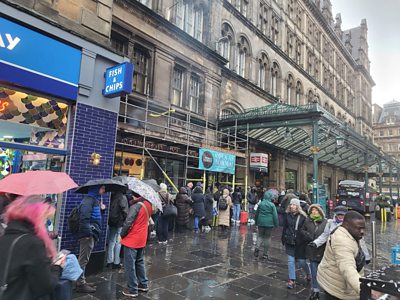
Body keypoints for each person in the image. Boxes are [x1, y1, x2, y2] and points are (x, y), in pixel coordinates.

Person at [0, 195, 66, 299]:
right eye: (44, 217)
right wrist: (57, 267)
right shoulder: (32, 243)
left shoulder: (4, 238)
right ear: (35, 217)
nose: (45, 221)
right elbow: (45, 286)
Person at [317, 211, 366, 300]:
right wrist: (364, 289)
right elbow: (347, 269)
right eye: (359, 228)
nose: (362, 232)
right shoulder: (342, 241)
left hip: (335, 281)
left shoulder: (348, 231)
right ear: (347, 225)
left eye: (363, 228)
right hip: (337, 288)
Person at [120, 195, 152, 298]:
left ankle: (132, 289)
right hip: (142, 238)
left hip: (132, 239)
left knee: (130, 265)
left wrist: (121, 235)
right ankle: (143, 284)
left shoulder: (135, 206)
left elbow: (128, 222)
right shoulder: (148, 204)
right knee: (139, 261)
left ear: (134, 195)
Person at [76, 185, 106, 293]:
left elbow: (94, 216)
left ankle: (82, 280)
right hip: (88, 234)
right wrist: (88, 233)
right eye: (102, 188)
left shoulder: (94, 200)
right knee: (83, 259)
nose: (104, 190)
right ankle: (80, 283)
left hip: (92, 233)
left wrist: (102, 209)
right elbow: (84, 218)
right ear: (96, 189)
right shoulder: (88, 201)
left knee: (85, 258)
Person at [281, 198, 311, 289]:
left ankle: (308, 273)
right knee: (290, 261)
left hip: (300, 242)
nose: (292, 206)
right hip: (289, 241)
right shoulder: (287, 215)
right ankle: (292, 280)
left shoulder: (303, 217)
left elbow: (306, 230)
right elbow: (285, 227)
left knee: (301, 262)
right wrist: (283, 237)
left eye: (294, 204)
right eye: (291, 204)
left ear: (297, 206)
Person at [300, 204, 327, 300]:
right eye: (312, 210)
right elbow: (302, 230)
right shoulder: (308, 220)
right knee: (314, 271)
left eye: (316, 210)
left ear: (320, 212)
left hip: (322, 250)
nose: (314, 212)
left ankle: (325, 289)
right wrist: (308, 235)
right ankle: (315, 290)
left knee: (323, 272)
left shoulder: (325, 222)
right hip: (311, 249)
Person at [106, 190, 128, 269]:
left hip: (112, 221)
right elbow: (125, 211)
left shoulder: (112, 196)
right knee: (118, 242)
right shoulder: (122, 197)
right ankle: (116, 262)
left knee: (111, 241)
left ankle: (109, 261)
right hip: (119, 222)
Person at [254, 190, 278, 261]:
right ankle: (265, 254)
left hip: (261, 222)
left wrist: (256, 221)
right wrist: (276, 224)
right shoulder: (272, 205)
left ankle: (257, 247)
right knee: (267, 238)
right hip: (269, 223)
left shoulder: (261, 204)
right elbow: (275, 215)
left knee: (260, 236)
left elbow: (257, 213)